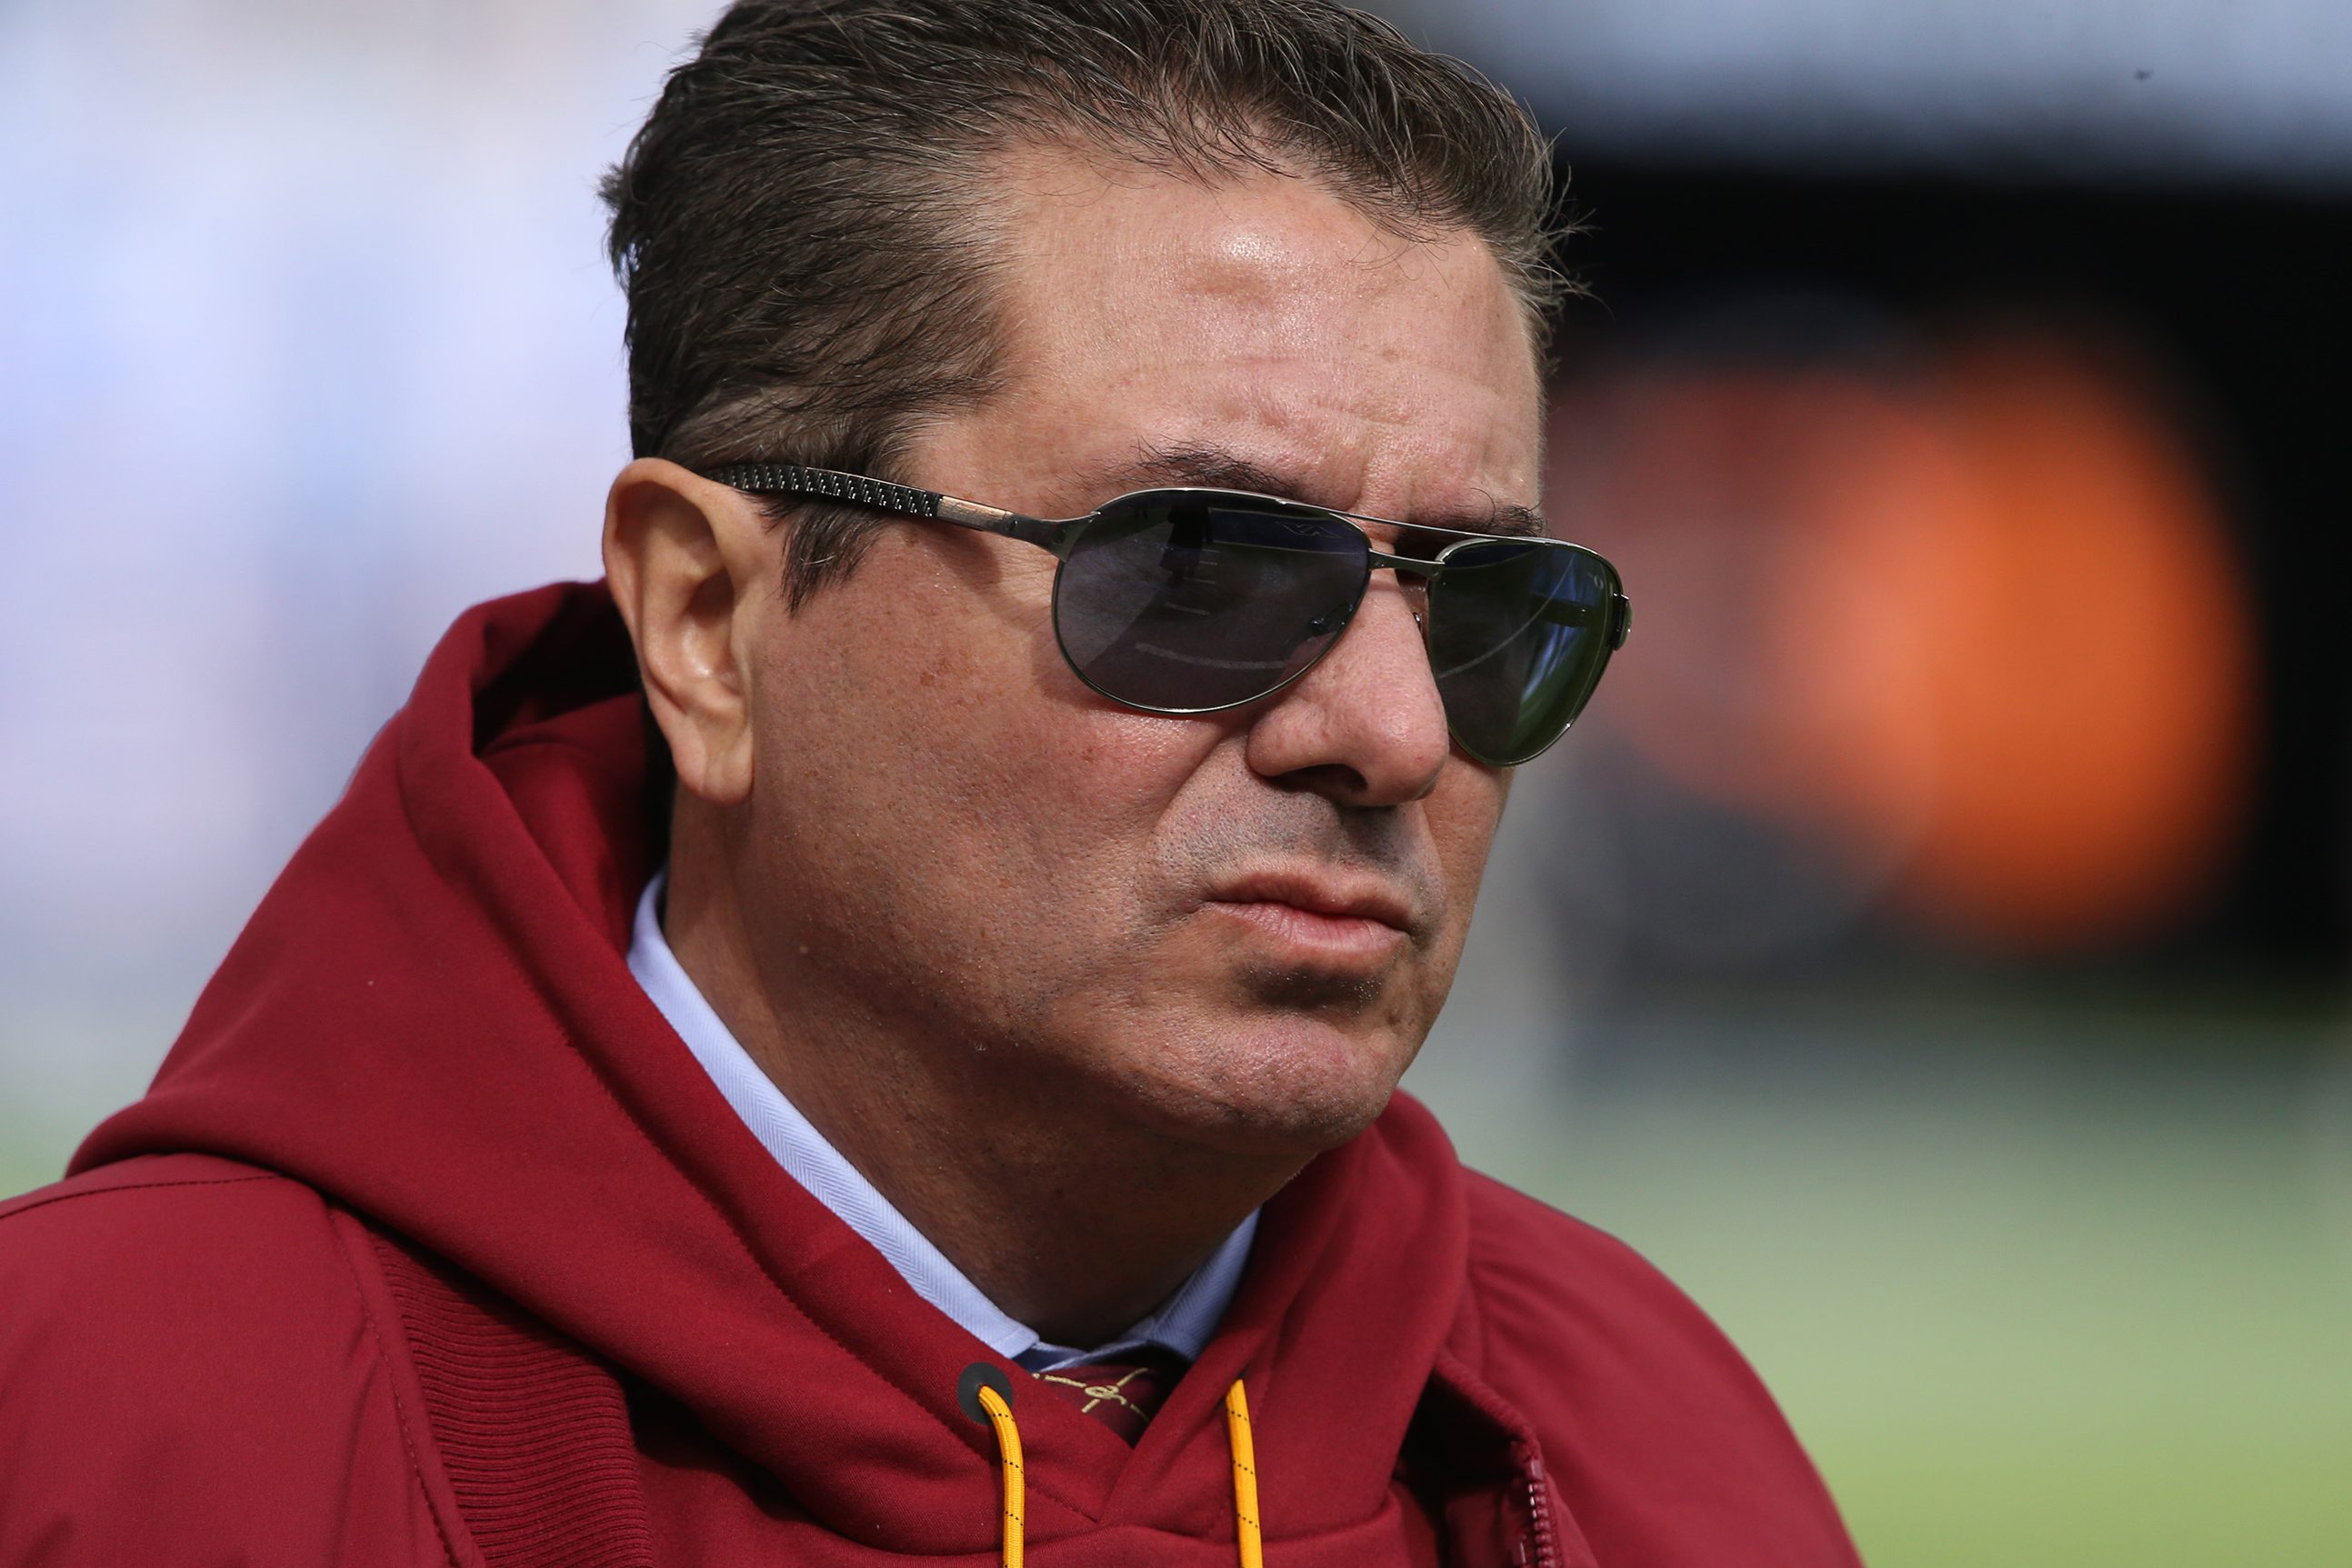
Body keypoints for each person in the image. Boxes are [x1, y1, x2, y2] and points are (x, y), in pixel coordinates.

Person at [0, 3, 1859, 1563]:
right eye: (1200, 568)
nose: (1384, 728)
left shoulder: (1638, 1446)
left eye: (1486, 603)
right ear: (708, 621)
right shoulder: (107, 1428)